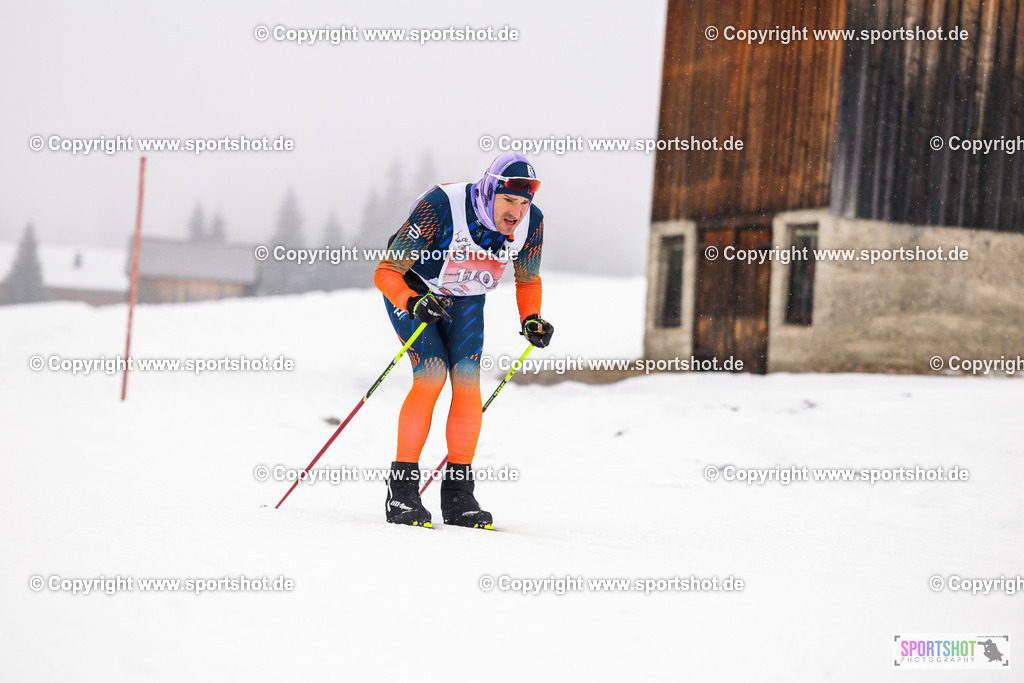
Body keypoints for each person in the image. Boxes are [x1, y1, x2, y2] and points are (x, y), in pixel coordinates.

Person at [373, 153, 554, 529]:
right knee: (432, 376)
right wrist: (414, 301)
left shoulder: (530, 224)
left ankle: (458, 496)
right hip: (415, 291)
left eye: (524, 203)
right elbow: (386, 271)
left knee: (468, 382)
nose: (516, 212)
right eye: (509, 200)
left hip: (467, 298)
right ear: (489, 191)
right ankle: (402, 492)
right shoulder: (442, 205)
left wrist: (531, 319)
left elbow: (528, 278)